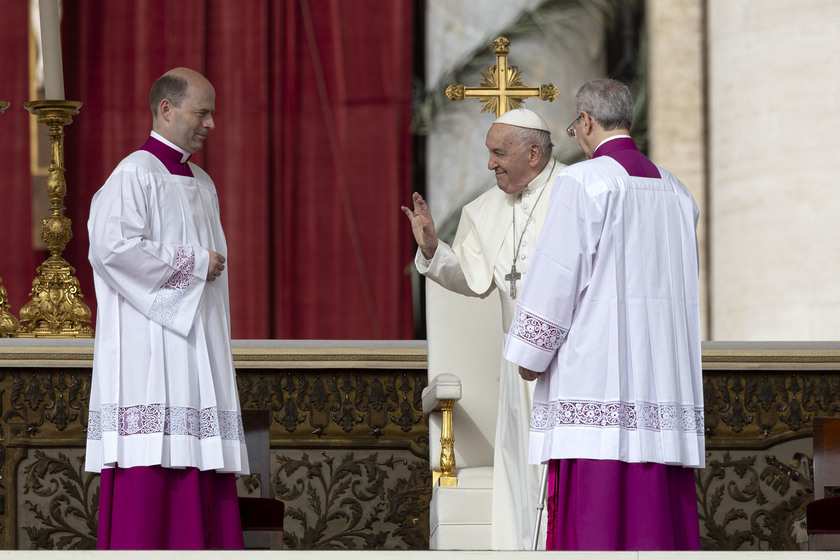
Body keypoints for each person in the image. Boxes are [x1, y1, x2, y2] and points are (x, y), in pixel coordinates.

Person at [503, 78, 704, 550]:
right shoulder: (678, 194)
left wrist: (531, 354)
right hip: (662, 395)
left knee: (596, 530)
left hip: (597, 389)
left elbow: (557, 277)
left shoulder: (583, 182)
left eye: (575, 126)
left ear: (587, 122)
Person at [86, 67, 248, 550]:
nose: (211, 124)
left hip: (197, 348)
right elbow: (112, 249)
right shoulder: (134, 174)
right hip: (152, 353)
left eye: (212, 113)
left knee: (201, 457)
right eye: (202, 112)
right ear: (166, 109)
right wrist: (195, 263)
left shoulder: (201, 181)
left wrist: (199, 272)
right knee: (154, 470)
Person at [402, 108, 564, 550]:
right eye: (488, 153)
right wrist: (434, 249)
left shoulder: (577, 191)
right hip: (520, 367)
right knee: (522, 474)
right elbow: (470, 278)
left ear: (533, 153)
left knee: (565, 470)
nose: (490, 164)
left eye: (498, 153)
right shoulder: (484, 208)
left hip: (573, 365)